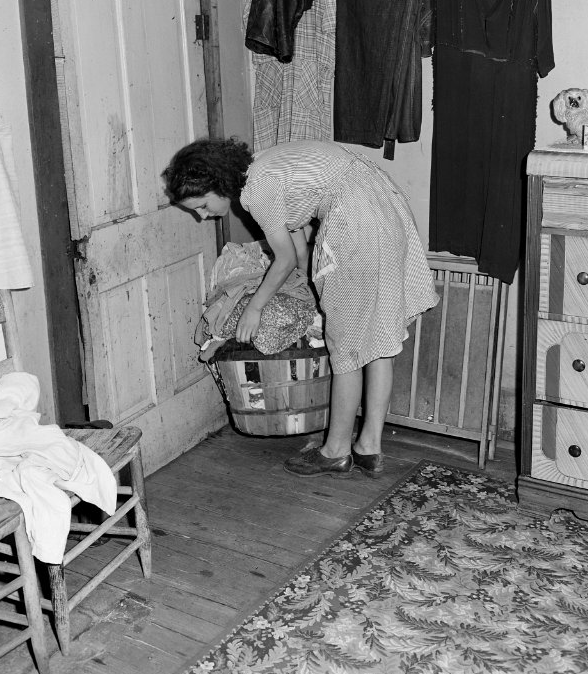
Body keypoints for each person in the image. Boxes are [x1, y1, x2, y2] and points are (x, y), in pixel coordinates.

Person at [162, 138, 438, 478]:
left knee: (346, 348)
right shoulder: (264, 166)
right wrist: (315, 291)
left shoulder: (255, 191)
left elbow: (285, 258)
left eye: (202, 205)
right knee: (380, 339)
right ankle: (369, 447)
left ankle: (335, 451)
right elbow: (299, 247)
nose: (203, 216)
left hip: (358, 220)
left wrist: (255, 308)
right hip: (384, 208)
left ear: (217, 184)